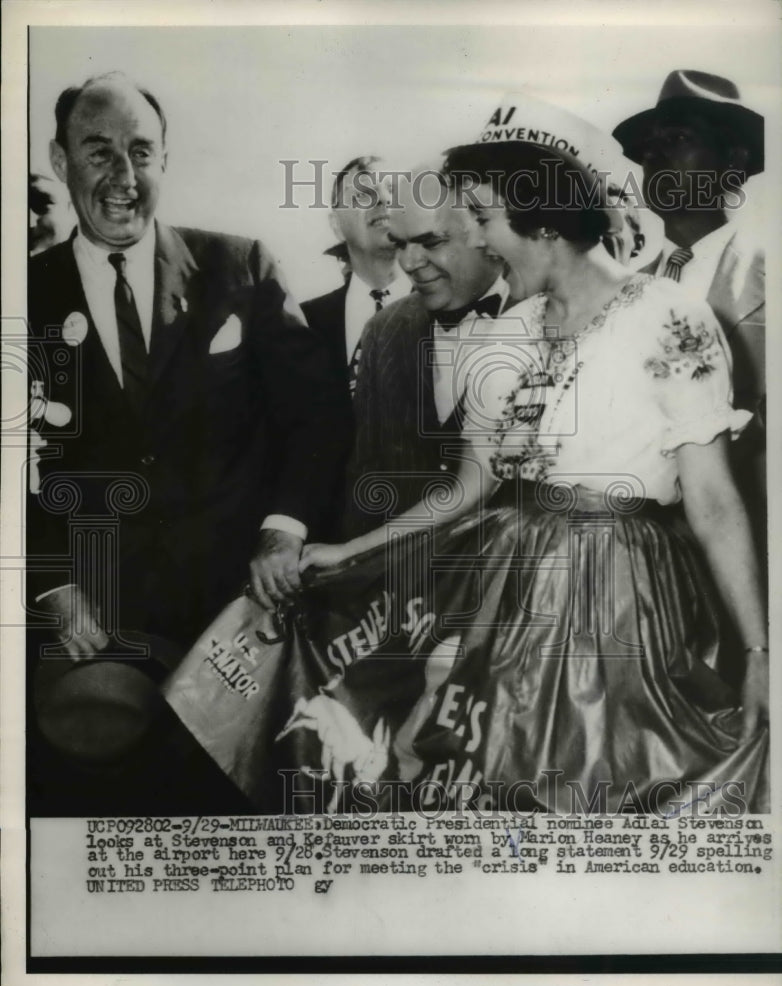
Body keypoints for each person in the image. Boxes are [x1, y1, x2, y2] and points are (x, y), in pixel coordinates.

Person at [297, 140, 768, 813]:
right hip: (507, 585)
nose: (481, 245)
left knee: (604, 792)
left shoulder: (667, 317)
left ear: (544, 225)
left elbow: (716, 502)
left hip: (622, 598)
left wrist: (757, 652)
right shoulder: (505, 336)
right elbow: (468, 486)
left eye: (485, 221)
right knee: (481, 783)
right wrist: (352, 550)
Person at [27, 72, 352, 652]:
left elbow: (317, 416)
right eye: (99, 152)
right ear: (60, 159)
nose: (124, 177)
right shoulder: (22, 295)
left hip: (239, 619)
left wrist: (283, 531)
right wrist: (54, 585)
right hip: (94, 630)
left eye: (141, 153)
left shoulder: (240, 267)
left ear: (164, 160)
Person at [613, 69, 766, 550]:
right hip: (647, 551)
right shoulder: (626, 291)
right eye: (648, 148)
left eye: (678, 138)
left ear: (734, 160)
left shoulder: (768, 276)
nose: (654, 155)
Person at [344, 167, 506, 535]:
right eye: (400, 243)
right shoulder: (383, 330)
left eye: (431, 242)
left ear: (486, 233)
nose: (408, 262)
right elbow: (364, 483)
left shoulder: (549, 321)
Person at [301, 156, 407, 397]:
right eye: (362, 194)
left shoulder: (444, 308)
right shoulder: (305, 323)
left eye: (392, 190)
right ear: (336, 224)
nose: (383, 199)